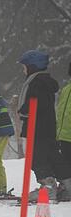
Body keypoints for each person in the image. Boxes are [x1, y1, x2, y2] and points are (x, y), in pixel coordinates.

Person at [17, 50, 71, 201]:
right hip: (47, 127)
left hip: (37, 127)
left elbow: (35, 102)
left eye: (25, 67)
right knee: (53, 156)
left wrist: (24, 110)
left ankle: (47, 187)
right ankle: (67, 184)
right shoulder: (44, 81)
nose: (23, 70)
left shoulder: (36, 82)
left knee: (37, 158)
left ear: (32, 67)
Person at [55, 62, 71, 201]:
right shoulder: (66, 89)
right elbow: (61, 111)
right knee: (66, 163)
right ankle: (68, 189)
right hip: (64, 135)